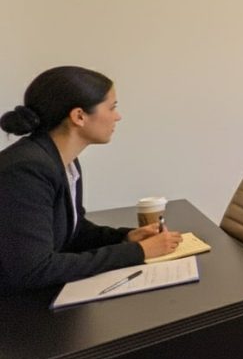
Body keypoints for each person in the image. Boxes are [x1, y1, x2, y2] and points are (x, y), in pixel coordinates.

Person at [0, 66, 182, 294]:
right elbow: (34, 269)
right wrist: (138, 252)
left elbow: (71, 230)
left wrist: (123, 237)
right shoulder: (26, 170)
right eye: (112, 107)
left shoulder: (63, 161)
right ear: (79, 116)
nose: (118, 116)